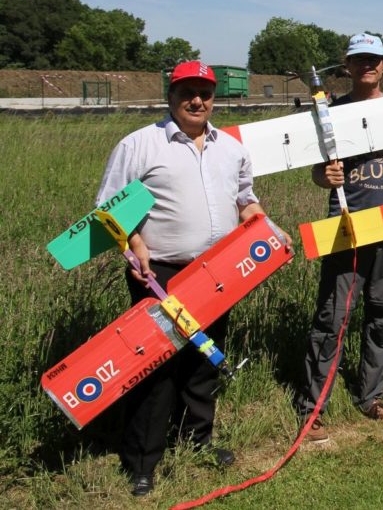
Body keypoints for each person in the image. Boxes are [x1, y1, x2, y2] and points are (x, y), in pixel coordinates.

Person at [95, 60, 292, 496]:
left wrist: (271, 232)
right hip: (159, 273)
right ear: (171, 95)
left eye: (204, 92)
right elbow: (109, 209)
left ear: (214, 97)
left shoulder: (231, 148)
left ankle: (197, 442)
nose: (197, 100)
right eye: (187, 91)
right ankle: (142, 461)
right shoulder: (140, 145)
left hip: (219, 271)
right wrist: (135, 246)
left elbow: (246, 202)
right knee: (156, 370)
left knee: (204, 361)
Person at [294, 33, 383, 441]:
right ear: (347, 66)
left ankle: (371, 396)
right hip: (346, 229)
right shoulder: (329, 112)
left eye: (374, 59)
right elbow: (318, 171)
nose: (367, 66)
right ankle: (312, 407)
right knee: (332, 318)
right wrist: (324, 177)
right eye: (359, 60)